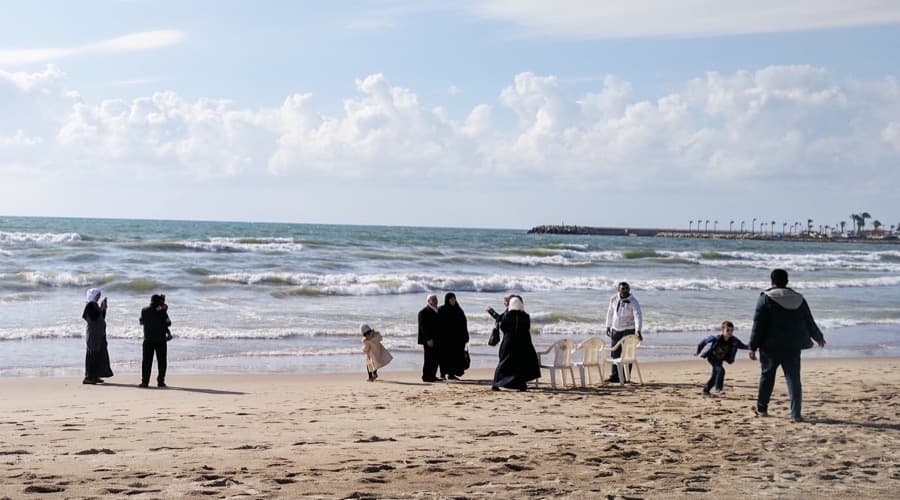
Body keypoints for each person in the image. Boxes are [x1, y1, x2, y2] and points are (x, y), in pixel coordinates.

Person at [749, 269, 826, 423]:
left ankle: (762, 409)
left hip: (770, 347)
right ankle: (796, 414)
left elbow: (758, 325)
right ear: (787, 281)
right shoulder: (799, 299)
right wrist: (819, 337)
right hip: (792, 346)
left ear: (772, 281)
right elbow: (809, 321)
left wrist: (753, 346)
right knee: (793, 379)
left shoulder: (765, 298)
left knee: (767, 377)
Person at [491, 296, 540, 391]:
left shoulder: (507, 316)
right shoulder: (525, 316)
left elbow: (503, 327)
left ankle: (496, 384)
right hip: (522, 342)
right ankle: (521, 385)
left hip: (508, 342)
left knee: (503, 363)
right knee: (520, 364)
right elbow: (527, 328)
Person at [695, 320, 749, 396]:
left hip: (720, 359)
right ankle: (718, 389)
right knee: (721, 371)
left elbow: (743, 346)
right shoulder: (716, 338)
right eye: (728, 330)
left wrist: (754, 347)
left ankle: (706, 390)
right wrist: (698, 351)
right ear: (722, 330)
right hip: (712, 358)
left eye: (731, 330)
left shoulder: (734, 340)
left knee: (715, 375)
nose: (730, 332)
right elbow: (703, 342)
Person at [604, 281, 643, 382]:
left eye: (627, 289)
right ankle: (615, 376)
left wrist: (638, 330)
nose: (625, 291)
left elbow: (638, 316)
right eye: (623, 289)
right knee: (614, 353)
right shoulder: (613, 299)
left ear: (629, 290)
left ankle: (626, 377)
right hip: (616, 329)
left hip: (629, 330)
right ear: (618, 290)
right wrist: (607, 326)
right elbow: (610, 312)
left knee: (628, 354)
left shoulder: (633, 301)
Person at [139, 294, 172, 388]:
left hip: (148, 339)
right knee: (162, 362)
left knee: (146, 362)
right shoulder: (162, 311)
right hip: (160, 340)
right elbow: (168, 323)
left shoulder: (144, 310)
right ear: (160, 301)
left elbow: (141, 322)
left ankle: (145, 382)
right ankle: (160, 381)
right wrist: (163, 310)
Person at [81, 288, 113, 385]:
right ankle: (89, 377)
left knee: (98, 354)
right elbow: (94, 317)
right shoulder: (90, 305)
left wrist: (103, 308)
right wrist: (101, 307)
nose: (98, 297)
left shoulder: (94, 305)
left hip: (98, 334)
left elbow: (100, 317)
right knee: (92, 355)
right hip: (93, 335)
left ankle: (95, 376)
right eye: (97, 295)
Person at [437, 292, 469, 380]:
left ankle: (451, 374)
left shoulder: (458, 310)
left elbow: (464, 324)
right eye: (451, 299)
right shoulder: (441, 309)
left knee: (455, 357)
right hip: (445, 338)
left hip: (457, 339)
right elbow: (437, 324)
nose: (453, 301)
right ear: (447, 300)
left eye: (454, 299)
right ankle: (442, 374)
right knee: (444, 356)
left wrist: (466, 336)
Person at [417, 294, 441, 382]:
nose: (436, 301)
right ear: (428, 301)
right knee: (428, 358)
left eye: (436, 299)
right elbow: (423, 328)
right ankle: (426, 376)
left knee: (436, 358)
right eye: (433, 299)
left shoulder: (438, 310)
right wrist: (428, 339)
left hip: (437, 338)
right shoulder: (423, 312)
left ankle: (433, 375)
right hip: (429, 339)